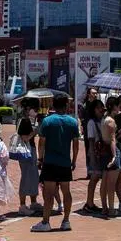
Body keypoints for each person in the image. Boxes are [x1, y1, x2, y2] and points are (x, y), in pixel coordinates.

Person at [30, 96, 81, 232]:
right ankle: (66, 221)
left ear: (54, 105)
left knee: (49, 193)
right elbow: (76, 145)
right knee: (66, 191)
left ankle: (46, 222)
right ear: (66, 105)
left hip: (50, 162)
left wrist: (40, 159)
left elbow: (41, 143)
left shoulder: (47, 121)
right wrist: (74, 160)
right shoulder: (73, 122)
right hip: (65, 162)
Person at [15, 102, 42, 216]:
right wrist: (35, 131)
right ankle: (22, 205)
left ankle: (33, 202)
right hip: (26, 151)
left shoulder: (29, 120)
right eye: (34, 109)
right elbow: (25, 138)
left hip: (31, 149)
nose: (36, 112)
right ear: (28, 109)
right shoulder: (24, 121)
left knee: (34, 176)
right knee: (26, 177)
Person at [81, 96, 104, 214]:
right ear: (94, 109)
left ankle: (91, 202)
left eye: (102, 107)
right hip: (96, 152)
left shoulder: (103, 120)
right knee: (94, 178)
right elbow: (90, 140)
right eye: (98, 108)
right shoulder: (91, 122)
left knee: (98, 178)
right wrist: (92, 156)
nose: (101, 110)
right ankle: (89, 203)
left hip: (102, 152)